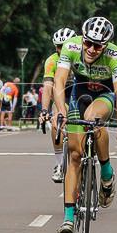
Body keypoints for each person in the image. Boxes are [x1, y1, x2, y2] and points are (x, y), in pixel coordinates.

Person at [53, 16, 117, 233]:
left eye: (97, 46)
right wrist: (61, 110)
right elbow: (59, 81)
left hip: (104, 95)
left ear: (105, 45)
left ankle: (107, 175)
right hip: (79, 94)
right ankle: (68, 218)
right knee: (75, 154)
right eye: (87, 43)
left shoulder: (114, 55)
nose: (90, 49)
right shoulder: (71, 46)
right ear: (82, 39)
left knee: (93, 118)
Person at [39, 27, 75, 182]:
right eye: (58, 47)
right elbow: (47, 87)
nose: (61, 50)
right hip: (61, 94)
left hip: (78, 92)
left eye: (64, 46)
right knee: (56, 121)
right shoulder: (52, 60)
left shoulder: (80, 57)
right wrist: (44, 110)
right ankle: (59, 164)